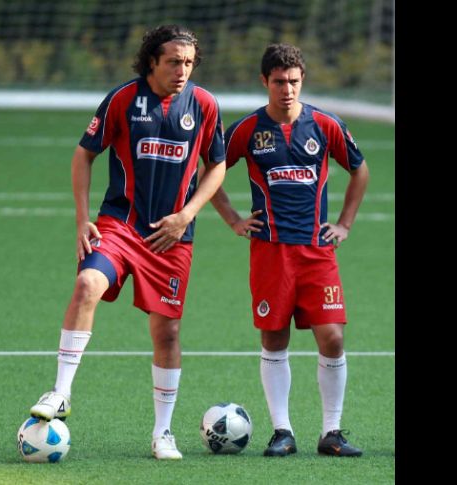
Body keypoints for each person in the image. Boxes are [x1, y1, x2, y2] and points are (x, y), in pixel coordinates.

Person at [27, 25, 226, 460]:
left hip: (172, 235)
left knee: (168, 332)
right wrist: (83, 219)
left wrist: (186, 215)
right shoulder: (122, 99)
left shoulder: (205, 105)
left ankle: (162, 433)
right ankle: (60, 393)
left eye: (189, 62)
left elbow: (218, 165)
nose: (182, 70)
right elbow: (85, 154)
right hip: (119, 224)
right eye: (174, 61)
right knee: (86, 286)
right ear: (151, 61)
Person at [209, 43, 368, 457]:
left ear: (303, 81)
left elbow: (359, 170)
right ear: (265, 82)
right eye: (279, 82)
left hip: (317, 251)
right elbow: (208, 170)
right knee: (273, 337)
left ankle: (331, 432)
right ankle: (283, 431)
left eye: (294, 82)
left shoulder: (325, 125)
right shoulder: (247, 130)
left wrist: (346, 223)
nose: (287, 90)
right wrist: (232, 219)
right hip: (270, 252)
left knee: (332, 338)